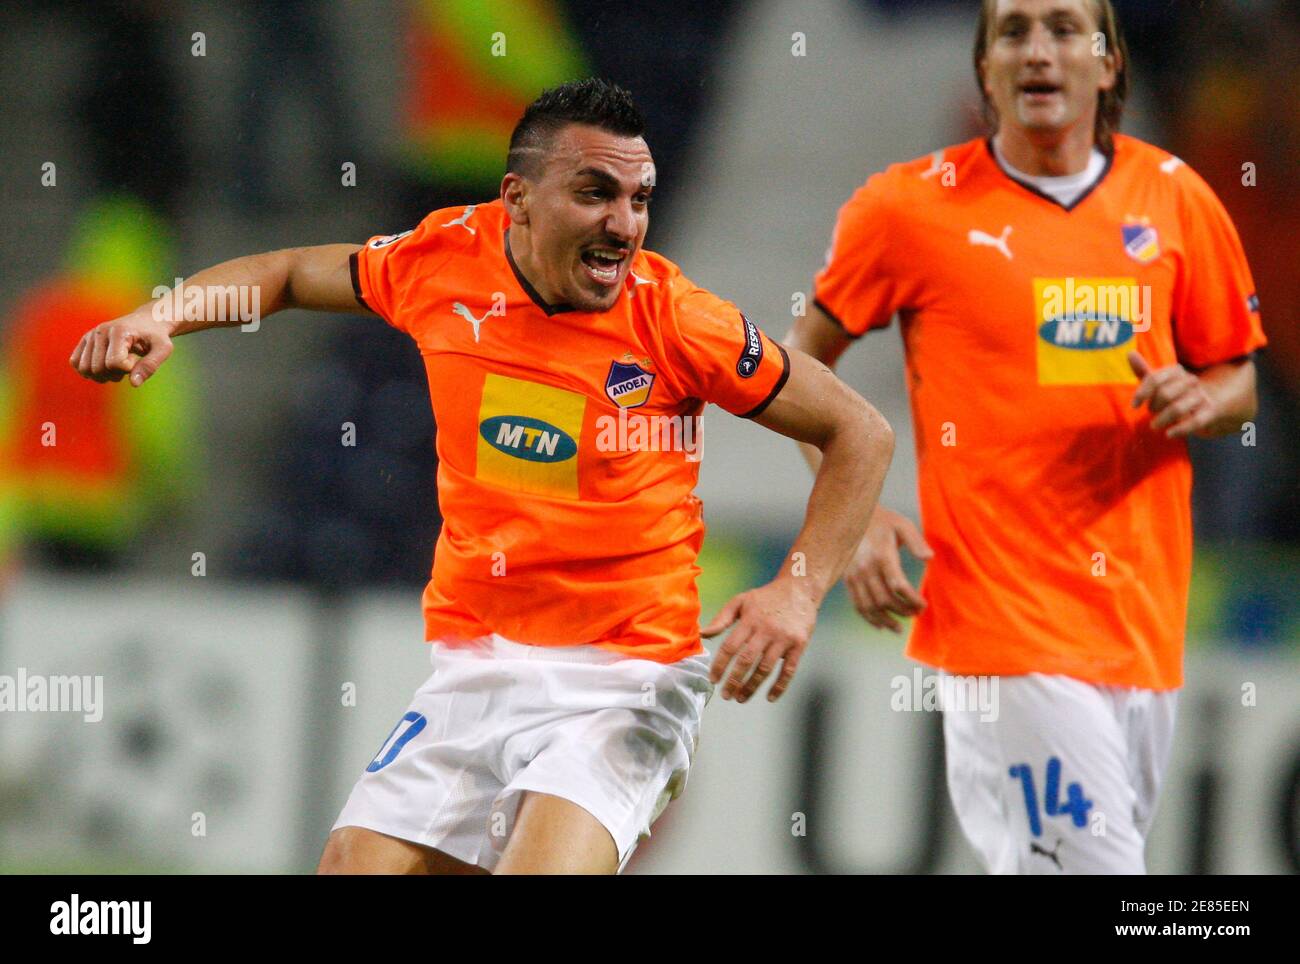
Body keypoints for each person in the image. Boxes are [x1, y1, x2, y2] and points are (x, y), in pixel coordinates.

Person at [70, 79, 894, 875]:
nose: (624, 224)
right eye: (596, 192)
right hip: (476, 667)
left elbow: (858, 430)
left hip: (626, 674)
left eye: (638, 199)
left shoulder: (677, 319)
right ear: (518, 197)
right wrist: (163, 312)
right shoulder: (442, 262)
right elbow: (287, 274)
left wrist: (796, 588)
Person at [786, 0, 1265, 873]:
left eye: (1062, 28)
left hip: (1139, 628)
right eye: (1013, 31)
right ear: (985, 69)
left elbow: (1241, 380)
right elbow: (794, 365)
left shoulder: (1177, 198)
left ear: (1110, 63)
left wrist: (1203, 398)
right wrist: (847, 513)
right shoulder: (908, 209)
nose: (1037, 50)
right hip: (1003, 627)